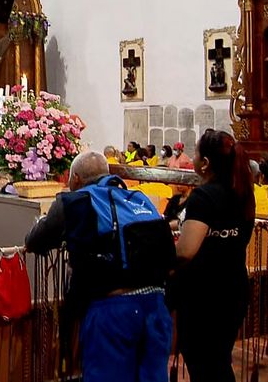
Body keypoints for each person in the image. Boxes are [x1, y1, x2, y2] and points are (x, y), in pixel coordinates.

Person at [26, 151, 173, 382]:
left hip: (113, 312)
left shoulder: (75, 201)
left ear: (75, 179)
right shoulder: (139, 198)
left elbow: (35, 240)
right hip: (156, 308)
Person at [172, 129, 255, 381]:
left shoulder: (203, 196)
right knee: (218, 361)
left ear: (205, 163)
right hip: (234, 287)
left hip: (205, 295)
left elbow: (186, 251)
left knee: (205, 364)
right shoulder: (242, 191)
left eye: (195, 153)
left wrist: (161, 259)